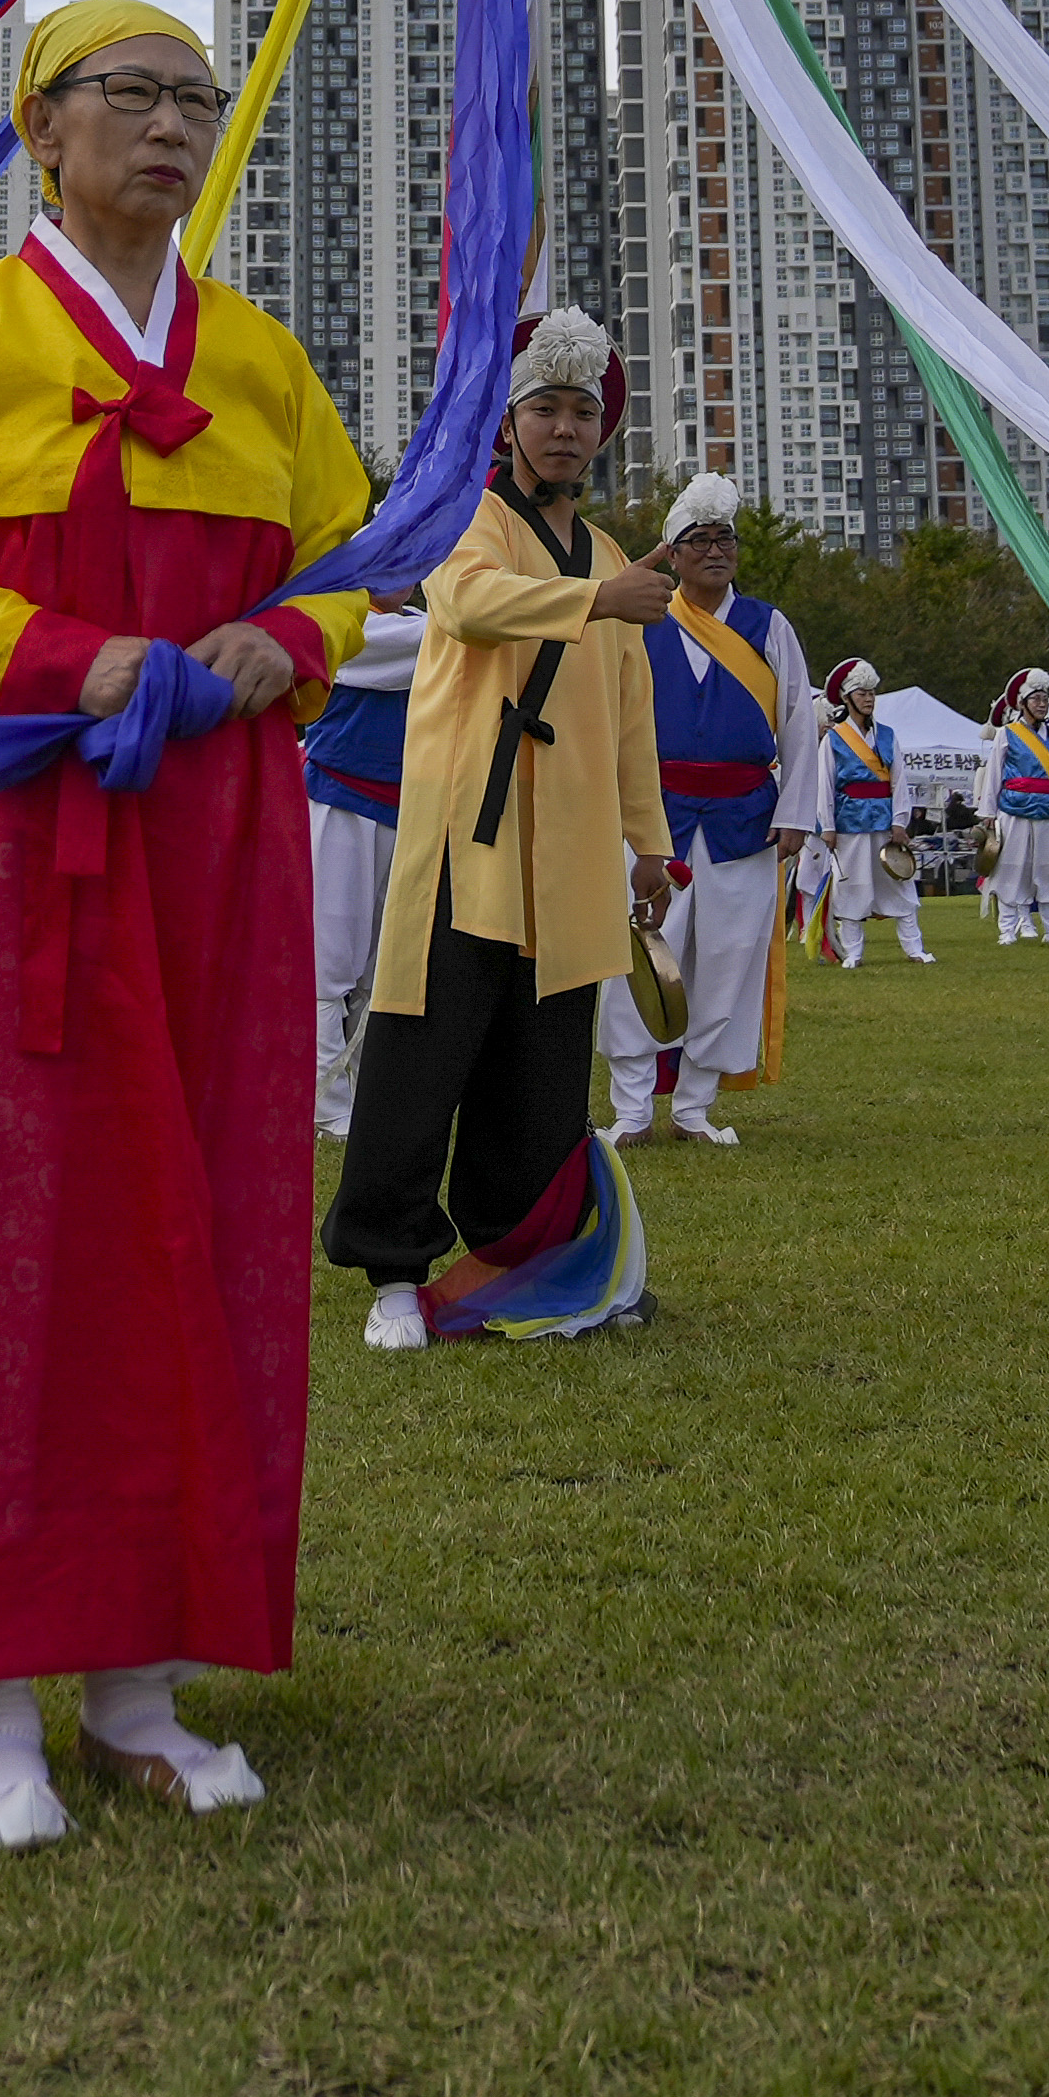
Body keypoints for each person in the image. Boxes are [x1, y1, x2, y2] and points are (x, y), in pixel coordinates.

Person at [0, 0, 375, 1850]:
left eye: (192, 97)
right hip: (11, 836)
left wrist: (282, 636)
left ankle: (142, 1677)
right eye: (126, 94)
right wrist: (80, 656)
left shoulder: (261, 361)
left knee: (198, 1220)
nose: (167, 124)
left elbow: (352, 559)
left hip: (216, 836)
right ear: (37, 129)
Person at [327, 302, 654, 1349]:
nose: (564, 428)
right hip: (470, 829)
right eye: (545, 408)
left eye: (582, 412)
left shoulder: (609, 553)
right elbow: (466, 605)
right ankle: (391, 1269)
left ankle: (525, 1257)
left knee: (542, 1062)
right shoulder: (467, 518)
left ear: (601, 431)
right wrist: (598, 602)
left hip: (570, 851)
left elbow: (630, 715)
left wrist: (651, 842)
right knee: (423, 1048)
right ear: (509, 423)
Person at [622, 477, 825, 1140]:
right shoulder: (643, 620)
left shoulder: (768, 625)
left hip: (744, 818)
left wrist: (794, 813)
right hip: (655, 817)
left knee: (729, 960)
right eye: (700, 541)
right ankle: (630, 1109)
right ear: (673, 554)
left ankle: (694, 1108)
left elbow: (798, 722)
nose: (715, 551)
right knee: (640, 955)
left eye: (724, 539)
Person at [299, 612, 415, 1126]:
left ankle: (371, 1098)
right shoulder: (344, 623)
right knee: (329, 966)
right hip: (339, 804)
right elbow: (431, 640)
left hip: (404, 812)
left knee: (382, 969)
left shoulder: (425, 622)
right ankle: (327, 1107)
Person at [810, 658, 925, 967]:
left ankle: (914, 948)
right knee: (852, 886)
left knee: (899, 882)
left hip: (884, 821)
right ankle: (853, 952)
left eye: (872, 692)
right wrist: (827, 826)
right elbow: (825, 785)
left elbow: (899, 781)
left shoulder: (887, 735)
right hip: (850, 822)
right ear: (847, 698)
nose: (869, 698)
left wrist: (900, 820)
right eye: (862, 693)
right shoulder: (834, 739)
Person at [976, 671, 1049, 943]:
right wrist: (988, 811)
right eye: (1036, 699)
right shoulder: (1007, 733)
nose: (1042, 704)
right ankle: (1007, 929)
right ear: (1022, 703)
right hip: (1015, 810)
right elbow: (994, 773)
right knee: (1011, 868)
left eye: (1045, 699)